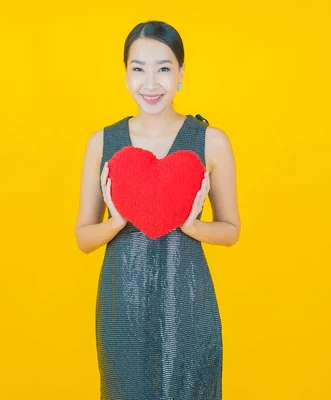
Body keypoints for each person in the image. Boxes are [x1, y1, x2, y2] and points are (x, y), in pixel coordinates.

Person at [75, 20, 240, 400]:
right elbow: (83, 237)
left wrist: (192, 226)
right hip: (123, 307)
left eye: (164, 68)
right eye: (139, 69)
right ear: (126, 75)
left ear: (181, 73)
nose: (151, 84)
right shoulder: (102, 142)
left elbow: (231, 228)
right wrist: (116, 221)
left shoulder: (210, 141)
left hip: (188, 302)